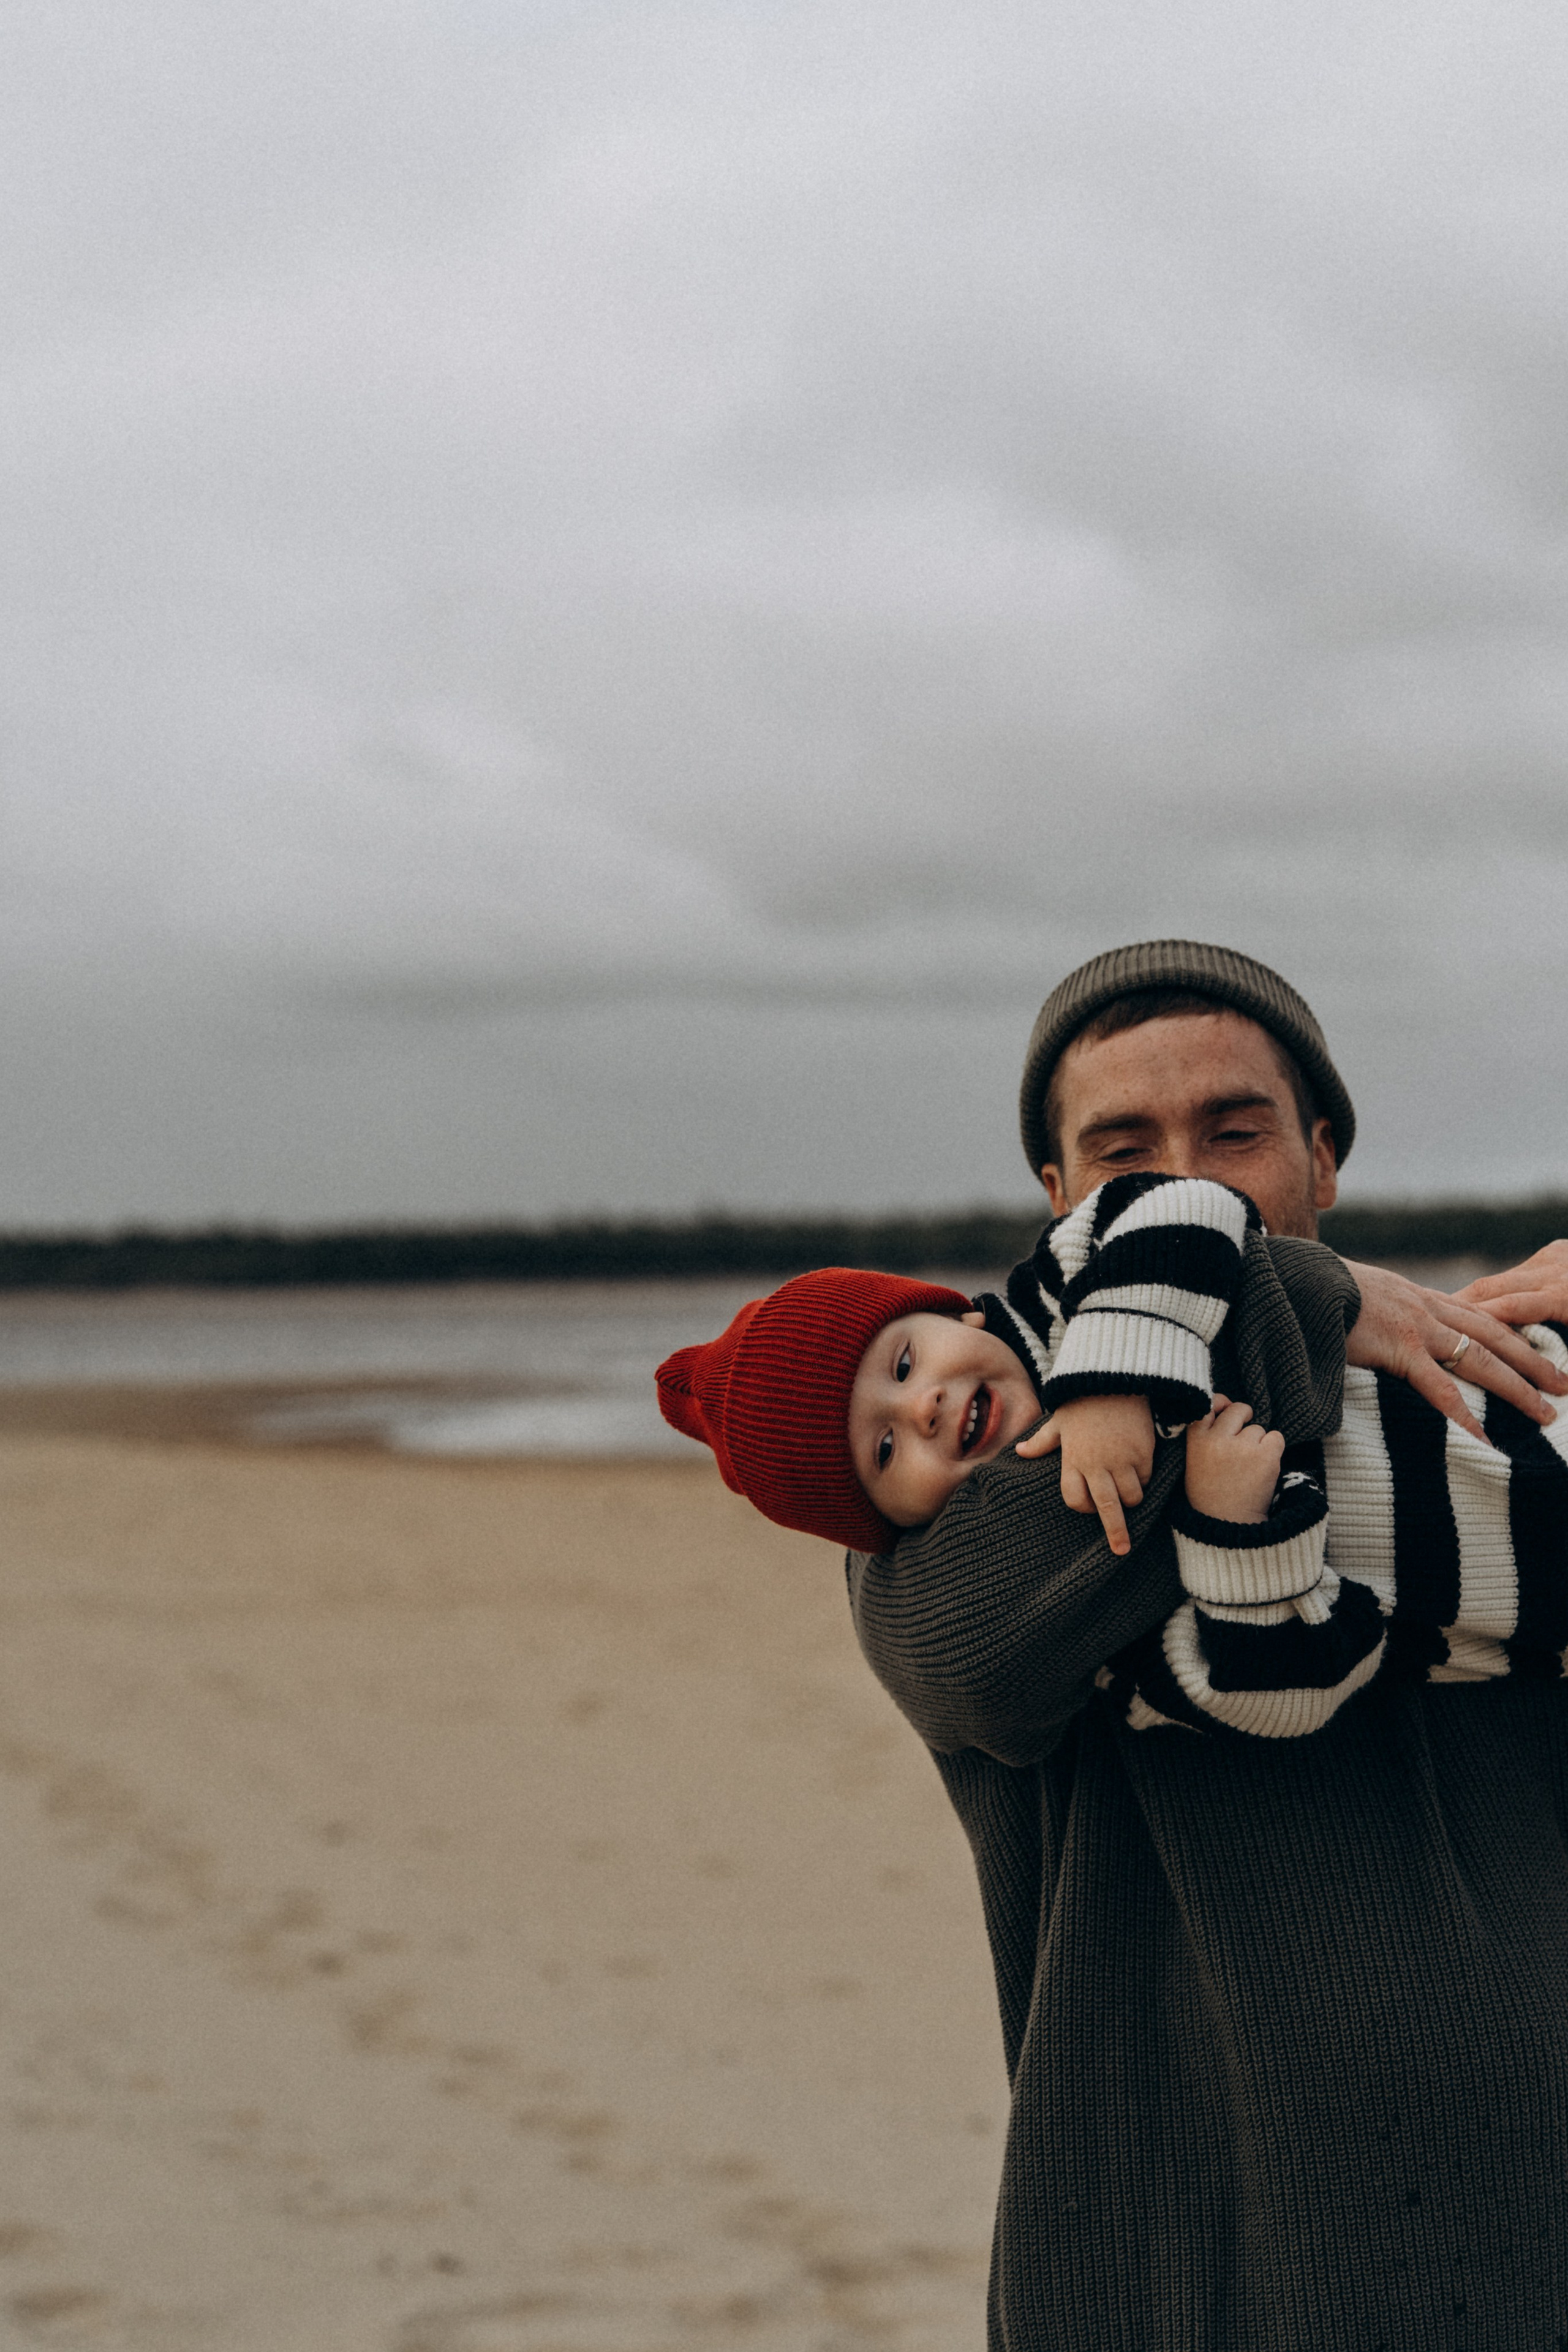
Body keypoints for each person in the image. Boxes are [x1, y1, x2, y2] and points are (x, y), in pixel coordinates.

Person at [845, 937, 1568, 2351]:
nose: (1191, 1181)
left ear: (1322, 1154)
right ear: (1056, 1203)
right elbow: (964, 1647)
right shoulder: (956, 1496)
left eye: (1233, 1133)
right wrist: (1303, 1301)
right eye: (1124, 1153)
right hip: (1187, 2272)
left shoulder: (1469, 1415)